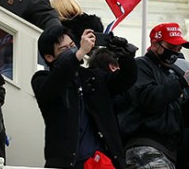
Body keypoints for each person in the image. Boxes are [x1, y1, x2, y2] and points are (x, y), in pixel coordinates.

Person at [33, 25, 138, 168]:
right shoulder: (42, 80)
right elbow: (54, 84)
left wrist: (124, 55)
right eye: (64, 49)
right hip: (67, 162)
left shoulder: (93, 76)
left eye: (72, 45)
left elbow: (126, 79)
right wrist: (80, 53)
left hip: (101, 160)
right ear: (49, 57)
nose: (72, 50)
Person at [117, 23, 189, 169]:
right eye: (171, 47)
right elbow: (148, 100)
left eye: (178, 48)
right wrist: (183, 82)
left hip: (168, 151)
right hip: (145, 147)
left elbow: (185, 119)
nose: (175, 52)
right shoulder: (140, 66)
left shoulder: (171, 74)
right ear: (155, 45)